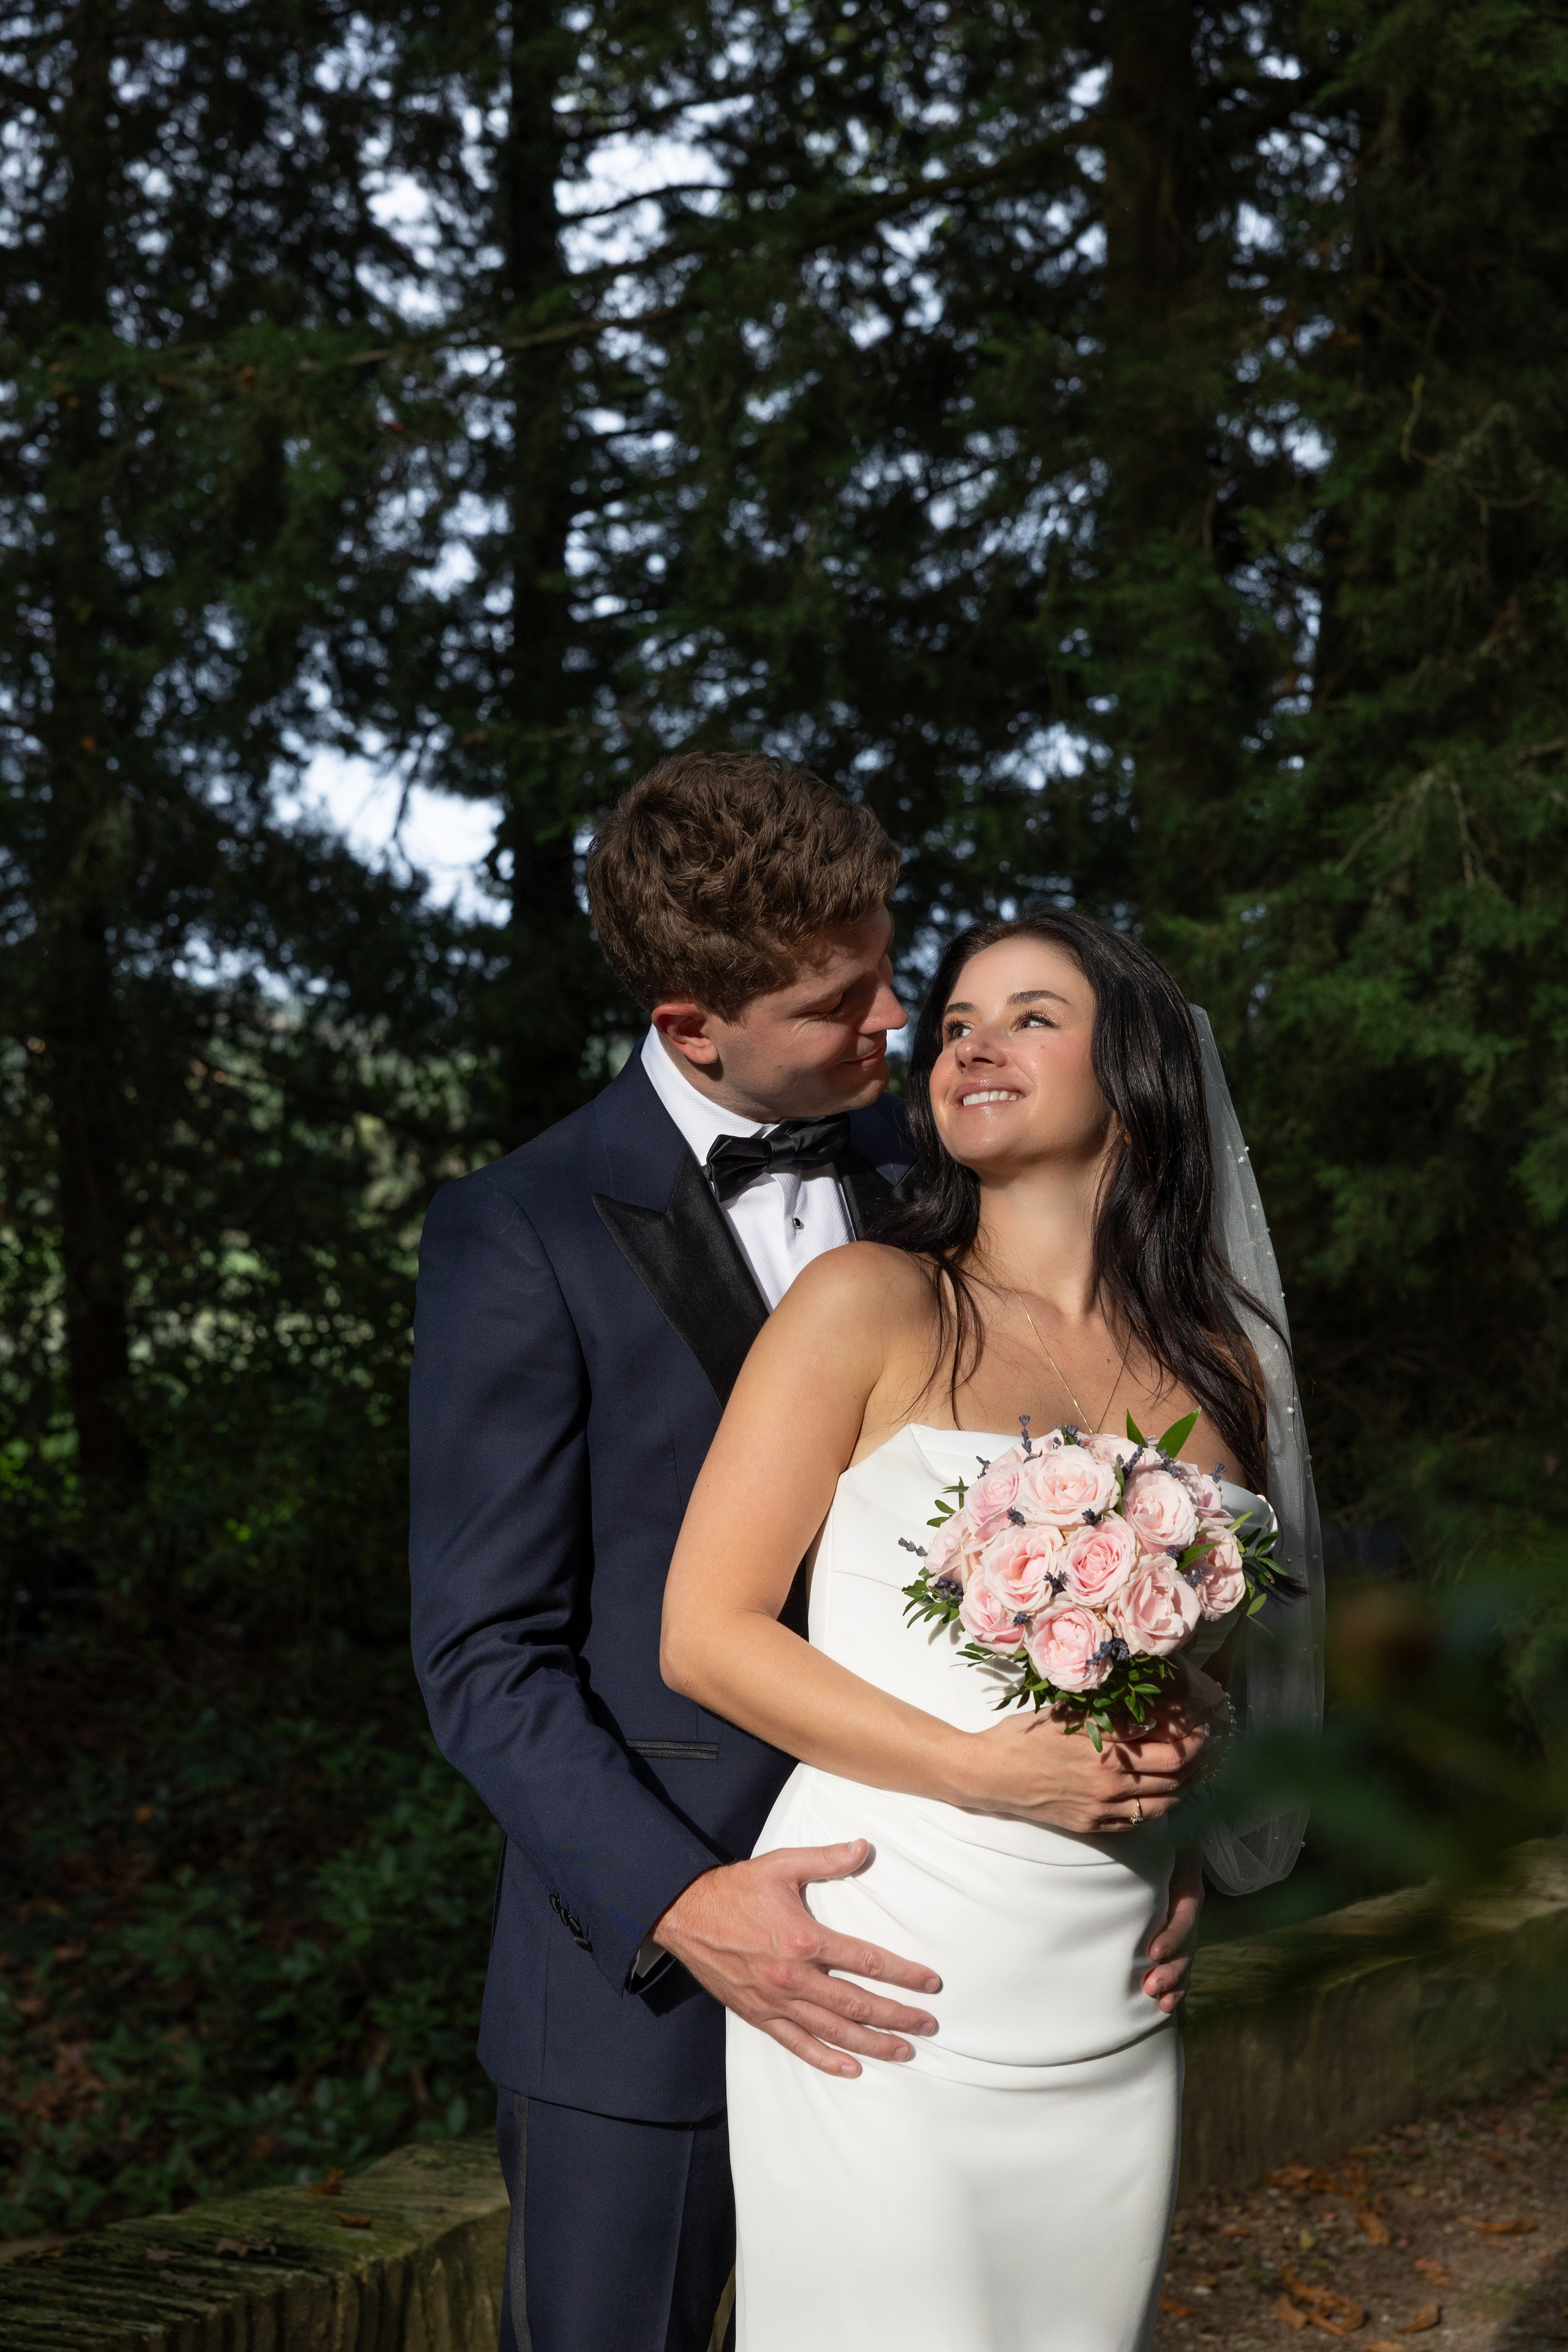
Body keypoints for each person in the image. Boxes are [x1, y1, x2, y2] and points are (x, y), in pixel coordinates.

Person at [410, 765, 1214, 2352]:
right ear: (695, 1019)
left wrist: (1147, 1809)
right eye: (844, 999)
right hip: (644, 1982)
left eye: (891, 966)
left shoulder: (938, 1182)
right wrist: (687, 1903)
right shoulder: (523, 1231)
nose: (900, 1022)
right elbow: (483, 1657)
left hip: (953, 1956)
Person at [662, 909, 1323, 2352]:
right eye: (958, 1018)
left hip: (1106, 1976)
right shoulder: (869, 1303)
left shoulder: (1216, 1370)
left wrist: (1183, 1804)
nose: (970, 1040)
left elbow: (1199, 1682)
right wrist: (976, 1772)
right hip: (883, 1966)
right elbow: (705, 1635)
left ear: (1136, 1070)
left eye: (1031, 1015)